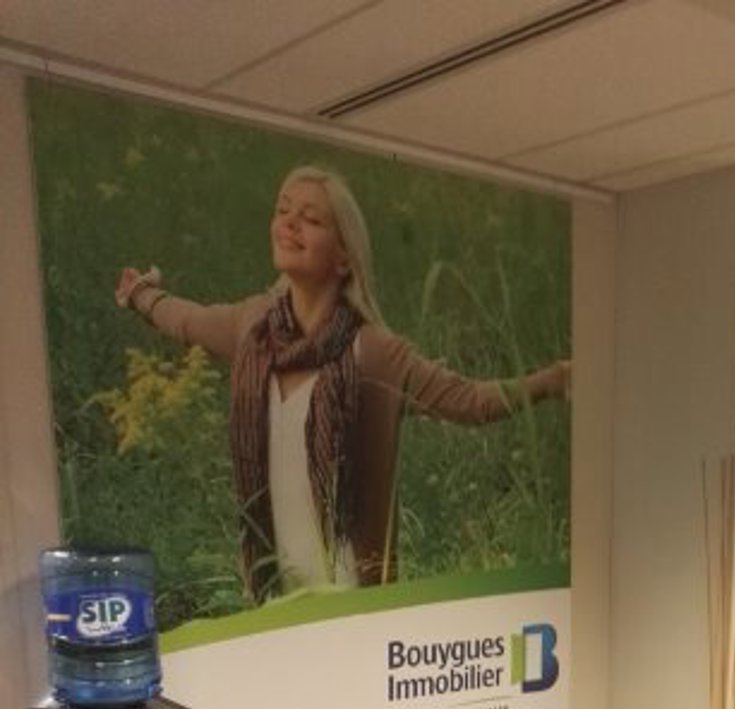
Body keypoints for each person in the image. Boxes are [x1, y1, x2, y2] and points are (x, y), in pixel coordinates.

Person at [116, 165, 569, 601]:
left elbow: (468, 401)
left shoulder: (372, 352)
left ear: (344, 258)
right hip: (269, 594)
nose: (289, 223)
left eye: (311, 219)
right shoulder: (254, 328)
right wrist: (141, 294)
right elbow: (188, 320)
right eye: (283, 210)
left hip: (351, 597)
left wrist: (552, 380)